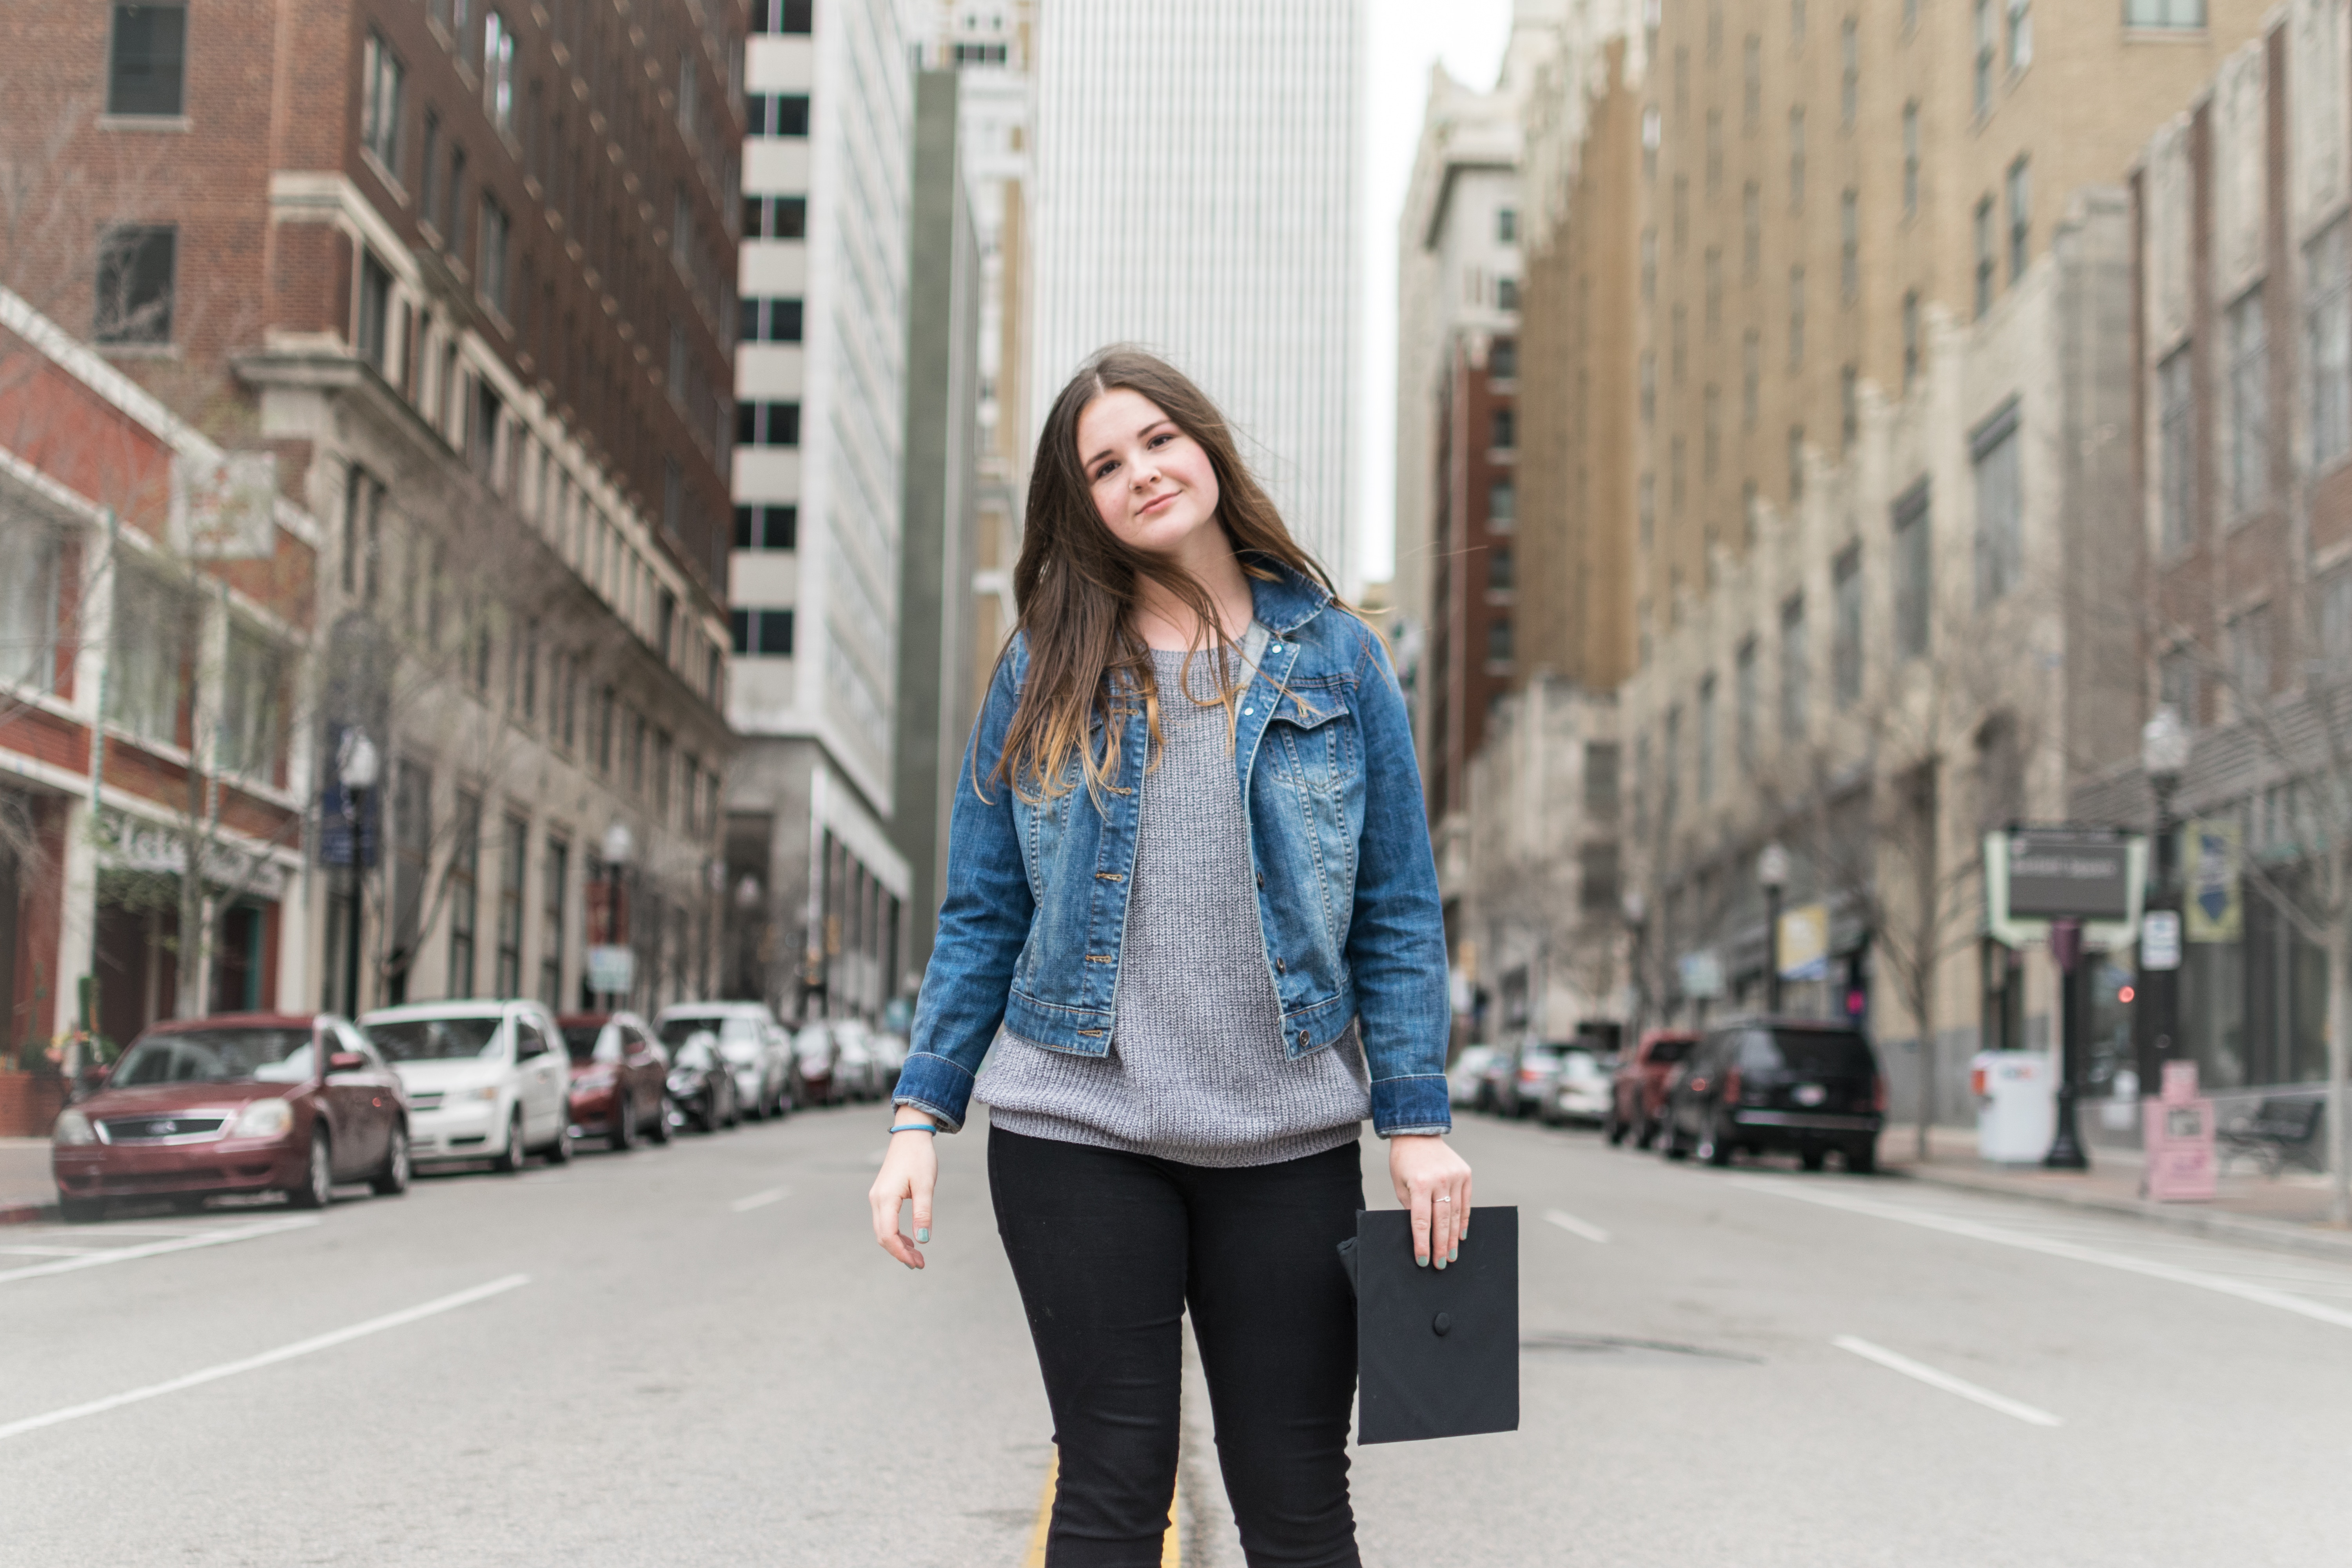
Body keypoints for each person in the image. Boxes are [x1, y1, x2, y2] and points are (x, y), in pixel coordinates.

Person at [869, 348, 1469, 1568]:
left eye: (1156, 441)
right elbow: (984, 911)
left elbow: (1398, 909)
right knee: (1110, 1487)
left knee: (1299, 1503)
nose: (1140, 473)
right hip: (1078, 1128)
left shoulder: (1341, 660)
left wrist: (1414, 1120)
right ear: (1079, 503)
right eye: (1103, 465)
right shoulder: (1046, 663)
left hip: (1287, 1142)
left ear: (1205, 446)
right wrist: (916, 1117)